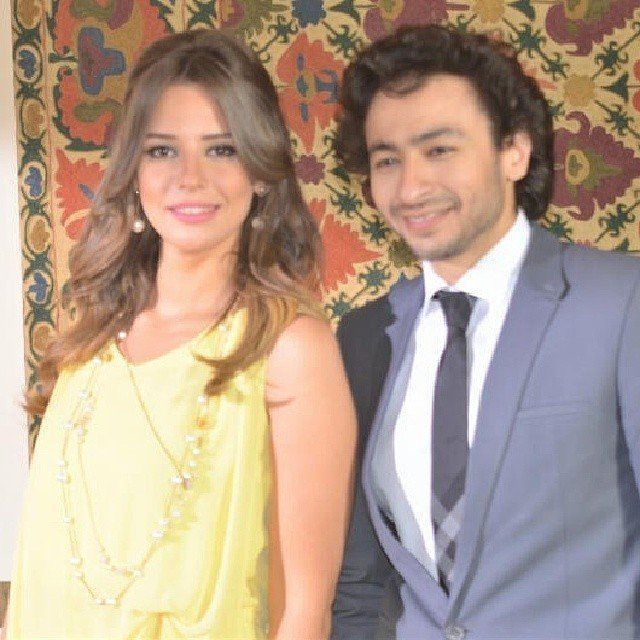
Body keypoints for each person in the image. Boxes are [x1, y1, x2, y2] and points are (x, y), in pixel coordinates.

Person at [5, 29, 356, 640]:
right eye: (163, 150)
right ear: (133, 171)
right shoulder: (90, 338)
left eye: (222, 150)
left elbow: (305, 610)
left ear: (261, 173)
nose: (190, 178)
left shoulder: (290, 348)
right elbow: (41, 565)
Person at [331, 24, 640, 640]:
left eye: (439, 150)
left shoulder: (622, 301)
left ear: (514, 152)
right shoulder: (365, 335)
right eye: (387, 160)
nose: (410, 187)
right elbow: (360, 579)